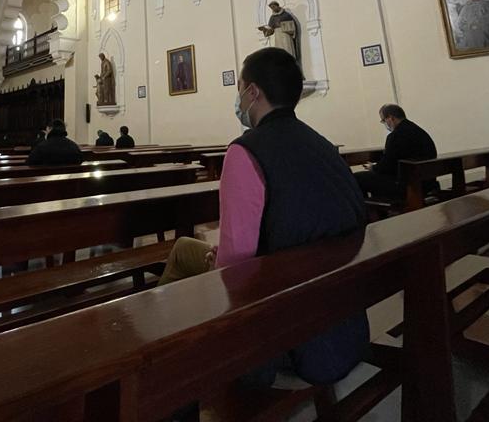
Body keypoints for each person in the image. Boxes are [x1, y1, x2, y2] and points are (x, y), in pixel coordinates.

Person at [156, 47, 368, 388]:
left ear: (253, 92)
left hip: (281, 320)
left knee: (184, 253)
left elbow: (235, 263)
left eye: (239, 87)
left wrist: (219, 261)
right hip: (338, 309)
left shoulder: (245, 150)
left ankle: (158, 357)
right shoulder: (323, 145)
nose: (238, 97)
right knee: (187, 247)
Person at [353, 104, 438, 200]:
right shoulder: (419, 131)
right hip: (427, 182)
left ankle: (372, 212)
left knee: (356, 178)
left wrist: (373, 167)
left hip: (407, 186)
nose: (385, 124)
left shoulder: (395, 136)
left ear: (390, 118)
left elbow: (387, 167)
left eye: (383, 120)